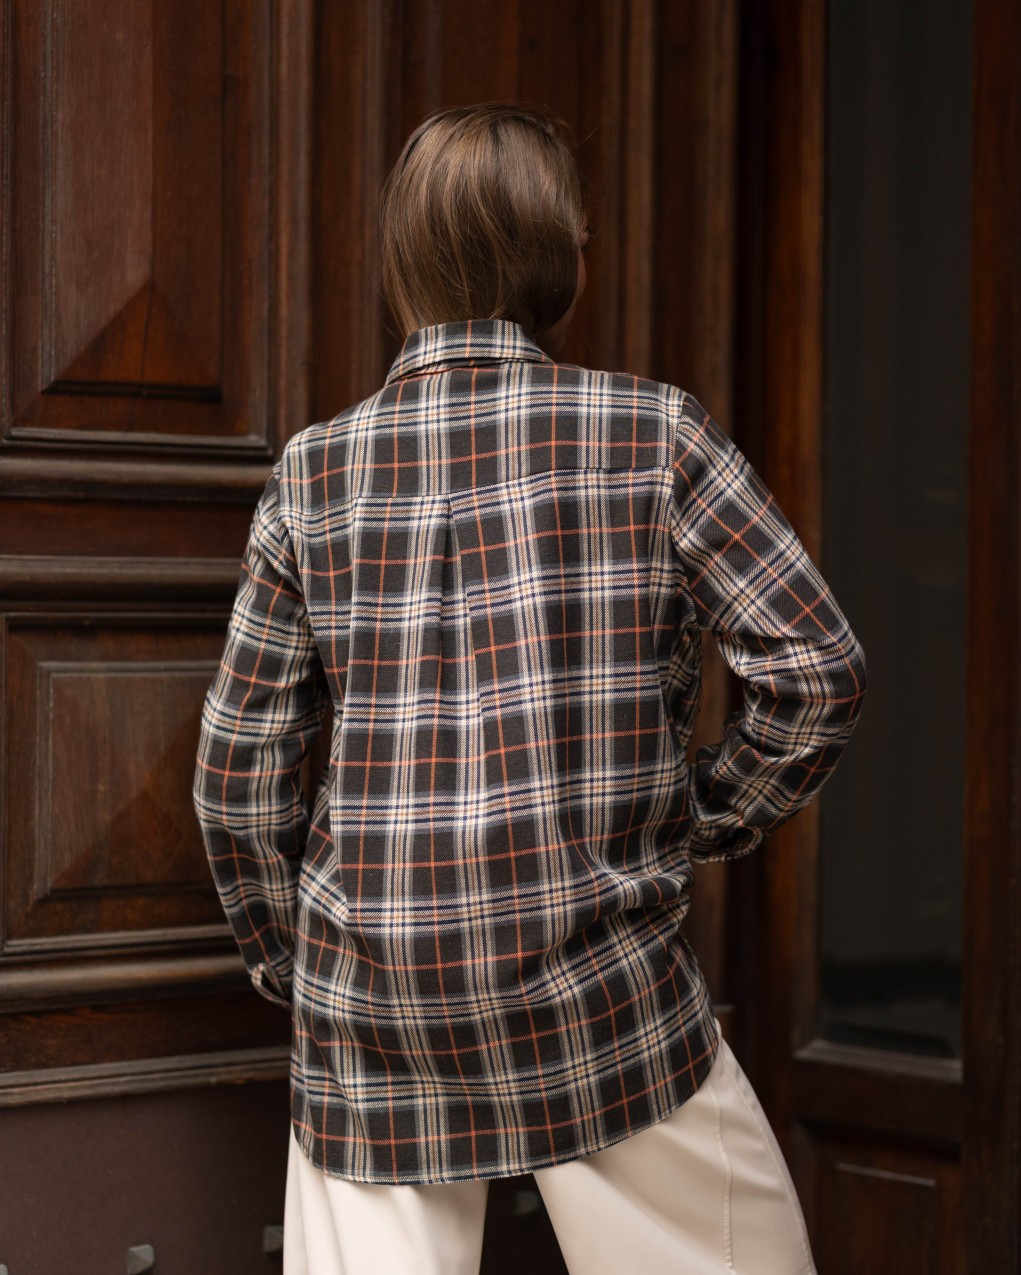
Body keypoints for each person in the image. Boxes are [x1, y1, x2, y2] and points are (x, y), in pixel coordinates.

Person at [194, 102, 866, 1275]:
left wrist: (292, 961)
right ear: (566, 261)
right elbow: (815, 672)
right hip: (600, 988)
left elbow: (235, 777)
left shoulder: (312, 472)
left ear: (401, 261)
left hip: (370, 1003)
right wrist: (698, 817)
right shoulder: (654, 434)